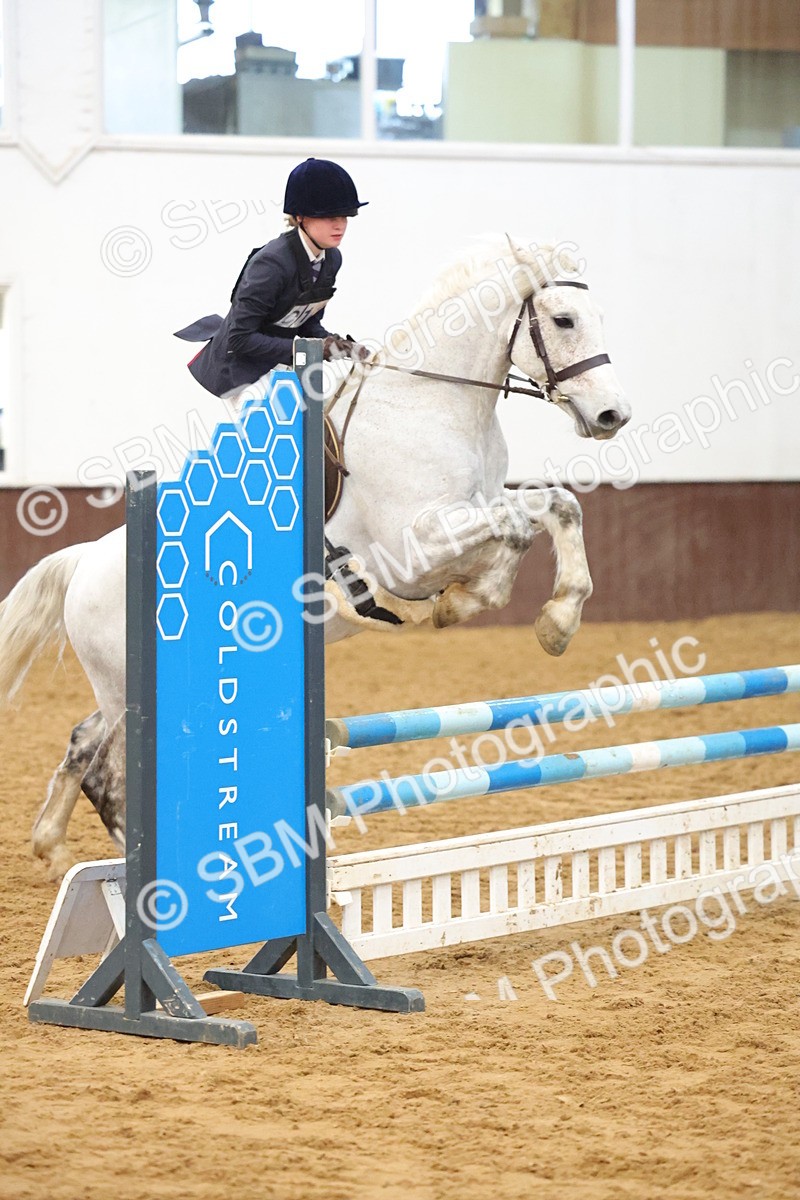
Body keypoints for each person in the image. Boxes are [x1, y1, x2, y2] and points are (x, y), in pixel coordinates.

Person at [174, 157, 370, 401]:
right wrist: (309, 349)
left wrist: (335, 345)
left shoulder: (332, 260)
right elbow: (240, 338)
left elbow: (307, 323)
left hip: (281, 364)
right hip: (241, 372)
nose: (339, 225)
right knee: (285, 418)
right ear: (301, 217)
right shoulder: (271, 264)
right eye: (330, 217)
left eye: (344, 217)